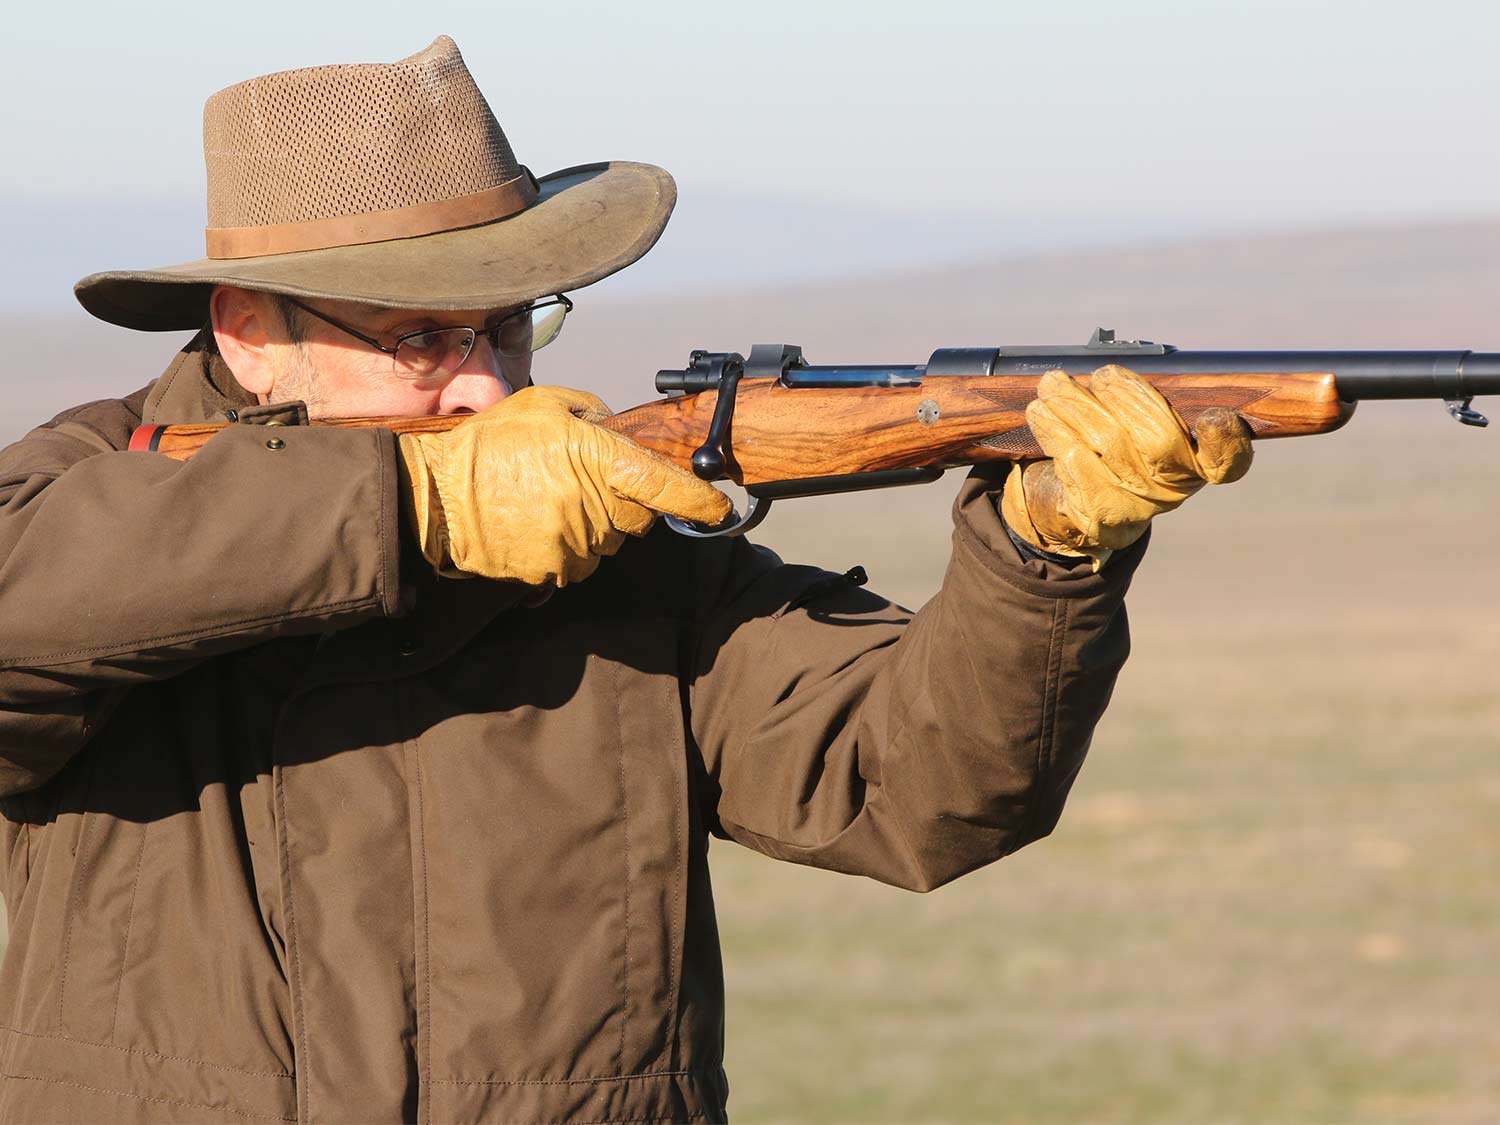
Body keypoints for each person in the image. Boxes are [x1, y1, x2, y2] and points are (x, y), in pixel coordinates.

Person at [0, 36, 1251, 1124]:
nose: (486, 384)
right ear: (248, 334)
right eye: (421, 338)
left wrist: (1043, 556)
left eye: (508, 326)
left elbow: (916, 790)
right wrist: (413, 508)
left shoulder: (616, 546)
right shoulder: (93, 484)